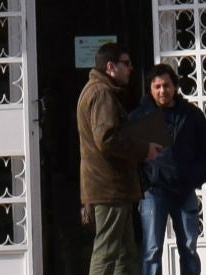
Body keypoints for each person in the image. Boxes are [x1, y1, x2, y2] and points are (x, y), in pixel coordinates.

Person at [131, 62, 206, 275]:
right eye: (157, 86)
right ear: (150, 89)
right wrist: (144, 181)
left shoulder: (191, 115)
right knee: (152, 250)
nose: (163, 91)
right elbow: (129, 154)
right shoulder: (140, 117)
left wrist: (194, 177)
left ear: (175, 87)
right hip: (153, 192)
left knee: (188, 247)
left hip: (184, 191)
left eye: (167, 85)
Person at [75, 43, 149, 275]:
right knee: (107, 251)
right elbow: (107, 139)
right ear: (110, 66)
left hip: (114, 187)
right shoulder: (101, 93)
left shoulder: (98, 90)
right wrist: (143, 149)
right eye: (126, 64)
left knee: (125, 253)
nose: (131, 69)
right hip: (109, 187)